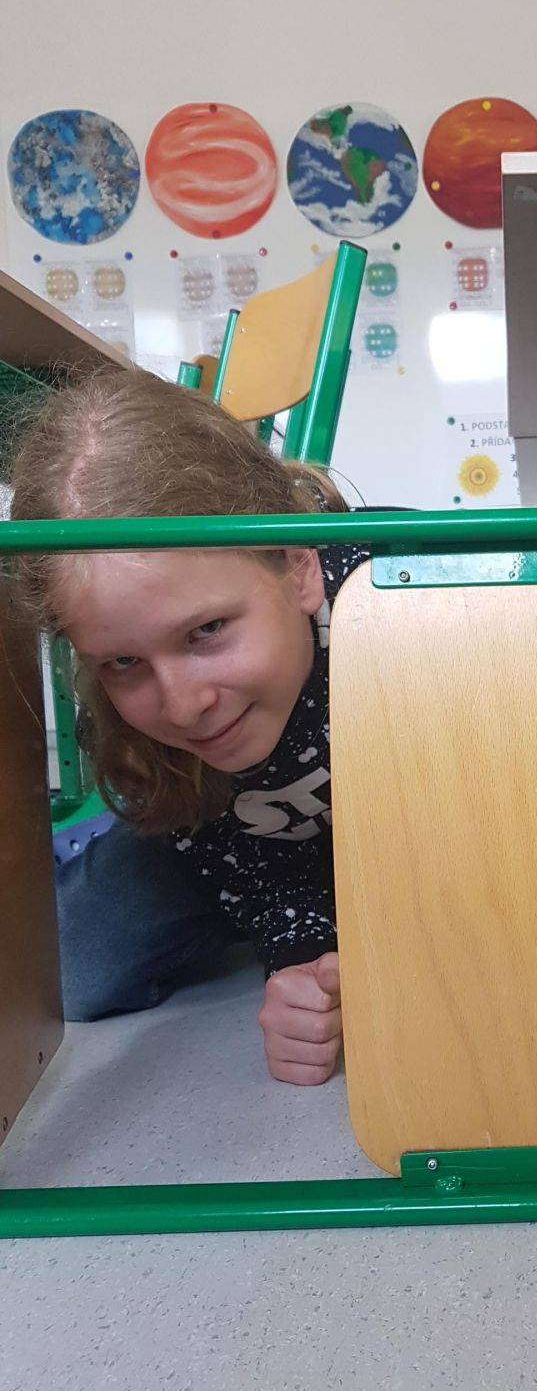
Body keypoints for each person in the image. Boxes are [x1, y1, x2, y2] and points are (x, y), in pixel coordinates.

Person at [6, 366, 365, 1085]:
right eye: (123, 661)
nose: (181, 706)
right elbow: (244, 863)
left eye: (206, 630)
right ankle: (87, 846)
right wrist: (300, 960)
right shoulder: (161, 729)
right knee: (71, 970)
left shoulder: (398, 610)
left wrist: (333, 952)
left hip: (394, 833)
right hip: (225, 843)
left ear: (297, 567)